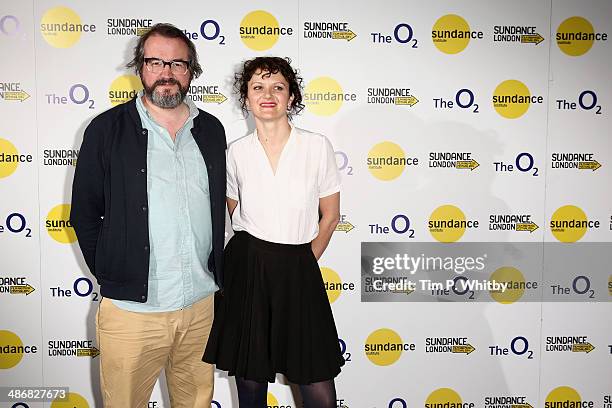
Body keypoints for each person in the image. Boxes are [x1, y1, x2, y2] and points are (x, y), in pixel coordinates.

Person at [70, 23, 226, 407]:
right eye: (155, 62)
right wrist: (114, 270)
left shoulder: (211, 131)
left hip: (200, 307)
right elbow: (85, 214)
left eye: (177, 63)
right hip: (133, 313)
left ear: (191, 71)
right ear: (140, 67)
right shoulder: (106, 130)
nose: (166, 73)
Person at [203, 57, 344, 407]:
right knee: (250, 384)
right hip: (248, 271)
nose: (268, 94)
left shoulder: (316, 147)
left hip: (299, 269)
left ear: (291, 98)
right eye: (258, 87)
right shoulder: (235, 153)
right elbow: (237, 212)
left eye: (278, 87)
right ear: (246, 98)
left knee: (315, 380)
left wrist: (301, 260)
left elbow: (330, 217)